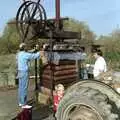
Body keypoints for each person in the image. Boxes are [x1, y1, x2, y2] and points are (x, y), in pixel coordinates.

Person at [16, 43, 45, 109]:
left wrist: (34, 49)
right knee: (24, 88)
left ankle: (21, 102)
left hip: (20, 72)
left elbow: (29, 52)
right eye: (26, 47)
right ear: (24, 48)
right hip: (24, 72)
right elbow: (35, 56)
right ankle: (24, 104)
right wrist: (43, 49)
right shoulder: (25, 54)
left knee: (20, 88)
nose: (27, 48)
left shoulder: (19, 53)